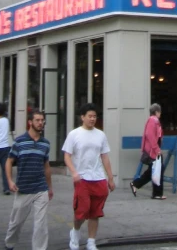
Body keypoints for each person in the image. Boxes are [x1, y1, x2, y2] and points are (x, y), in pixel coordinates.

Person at [63, 102, 115, 250]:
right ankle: (75, 231)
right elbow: (67, 156)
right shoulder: (74, 134)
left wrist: (110, 178)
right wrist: (74, 172)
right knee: (81, 211)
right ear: (82, 117)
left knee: (95, 212)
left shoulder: (101, 135)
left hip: (98, 177)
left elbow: (105, 157)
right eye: (90, 116)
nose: (92, 119)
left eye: (94, 116)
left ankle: (91, 241)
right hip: (82, 178)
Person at [3, 110, 53, 250]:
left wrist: (50, 187)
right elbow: (9, 161)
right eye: (37, 120)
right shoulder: (19, 142)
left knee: (41, 225)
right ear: (30, 122)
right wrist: (10, 181)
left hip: (40, 188)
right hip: (23, 189)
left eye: (42, 120)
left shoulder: (45, 144)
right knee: (16, 223)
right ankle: (9, 244)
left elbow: (46, 167)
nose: (40, 123)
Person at [129, 103, 165, 199]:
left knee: (154, 170)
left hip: (152, 151)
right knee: (157, 170)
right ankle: (156, 193)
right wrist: (157, 149)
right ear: (157, 112)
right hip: (153, 151)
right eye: (160, 111)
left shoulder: (152, 120)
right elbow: (150, 135)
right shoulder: (154, 120)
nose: (160, 113)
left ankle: (136, 184)